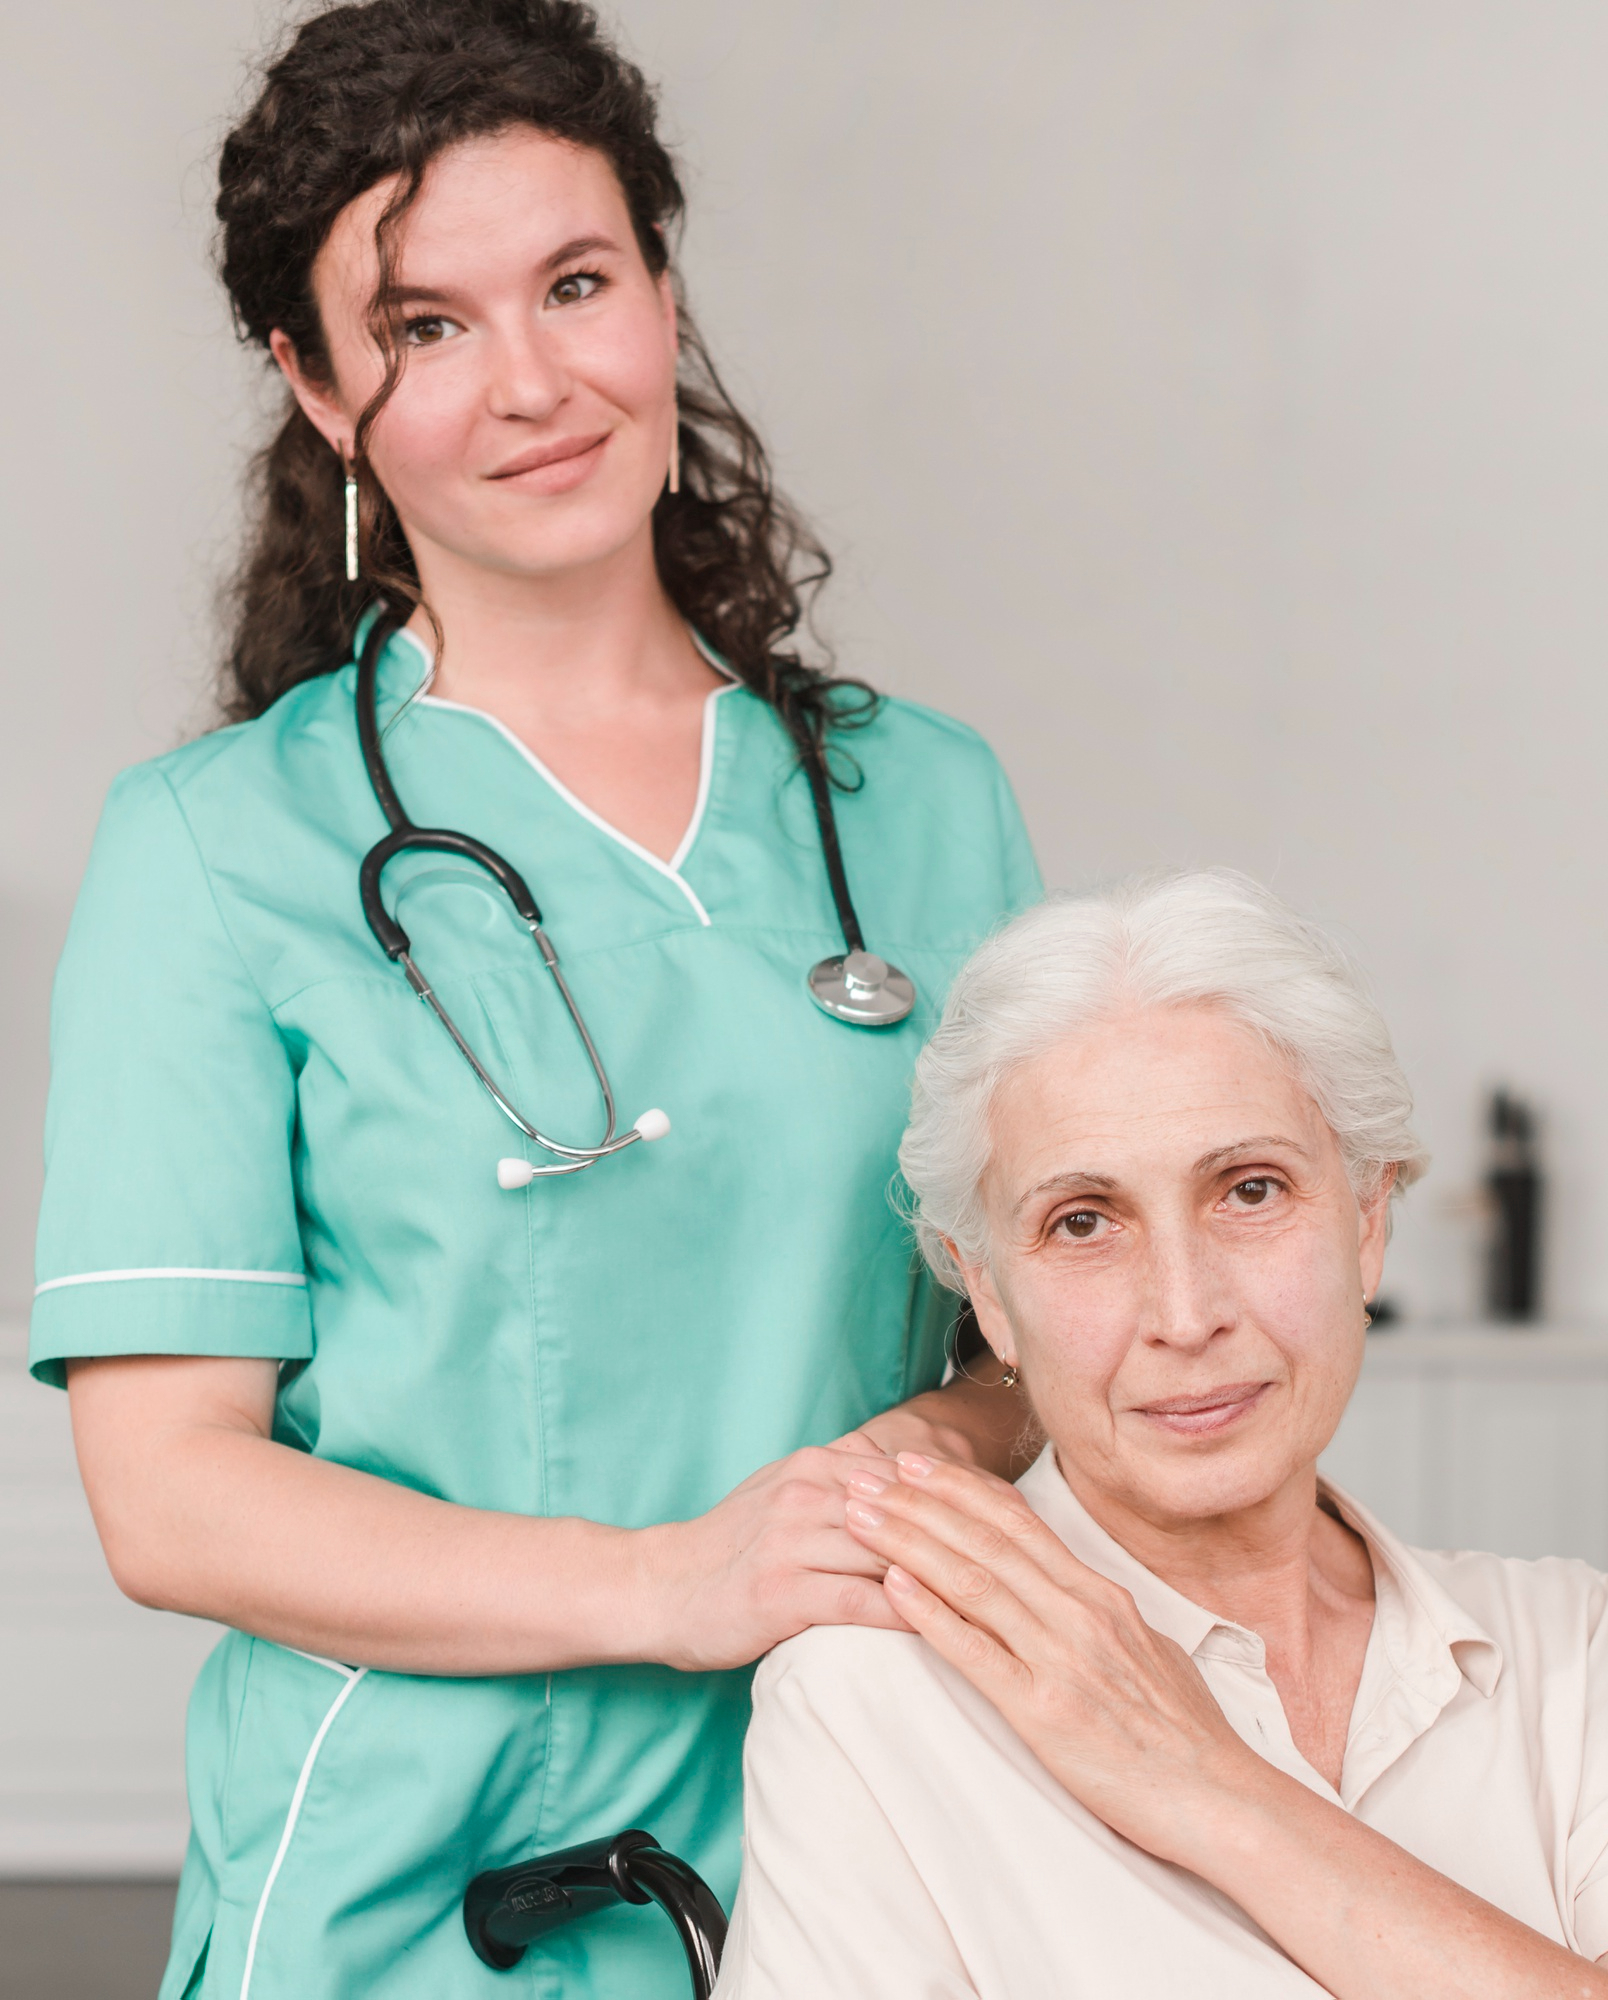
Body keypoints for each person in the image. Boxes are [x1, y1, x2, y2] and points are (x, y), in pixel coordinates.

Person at [31, 4, 1038, 1995]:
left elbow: (1036, 1341)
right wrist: (672, 1583)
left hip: (862, 1825)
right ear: (312, 383)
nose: (532, 383)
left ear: (661, 292)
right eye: (423, 325)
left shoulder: (925, 804)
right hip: (421, 1889)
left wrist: (914, 1470)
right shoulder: (216, 850)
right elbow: (170, 1497)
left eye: (578, 283)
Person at [717, 872, 1608, 2000]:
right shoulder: (867, 1697)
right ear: (987, 1292)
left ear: (1365, 1219)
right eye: (1082, 1220)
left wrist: (1212, 1788)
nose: (1186, 1312)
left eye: (1248, 1190)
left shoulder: (1563, 1645)